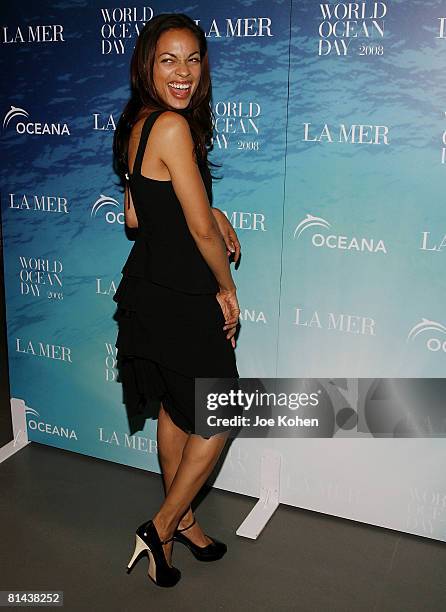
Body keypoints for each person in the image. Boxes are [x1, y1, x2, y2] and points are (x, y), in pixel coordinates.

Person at [112, 13, 241, 588]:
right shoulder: (171, 126)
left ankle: (183, 520)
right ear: (149, 64)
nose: (183, 72)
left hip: (147, 293)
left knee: (175, 409)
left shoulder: (136, 124)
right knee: (221, 413)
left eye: (192, 59)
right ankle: (160, 526)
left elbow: (135, 215)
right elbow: (201, 232)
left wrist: (208, 207)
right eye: (169, 59)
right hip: (184, 297)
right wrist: (226, 287)